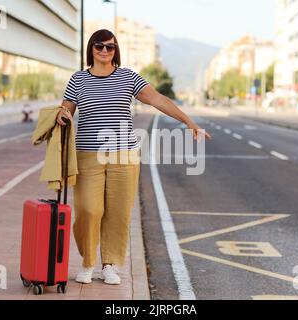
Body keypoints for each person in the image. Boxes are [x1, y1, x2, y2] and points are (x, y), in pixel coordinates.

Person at [57, 29, 211, 285]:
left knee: (118, 212)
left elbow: (158, 99)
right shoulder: (78, 79)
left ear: (116, 49)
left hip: (123, 156)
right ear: (90, 49)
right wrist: (61, 115)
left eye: (110, 46)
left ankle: (109, 264)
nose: (105, 51)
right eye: (99, 46)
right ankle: (87, 262)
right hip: (88, 155)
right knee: (88, 210)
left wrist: (189, 122)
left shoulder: (128, 77)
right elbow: (67, 108)